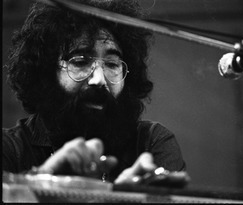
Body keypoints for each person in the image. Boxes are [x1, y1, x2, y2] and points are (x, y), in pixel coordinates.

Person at [2, 0, 187, 185]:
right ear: (46, 72)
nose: (98, 79)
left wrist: (124, 198)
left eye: (112, 64)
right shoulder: (9, 149)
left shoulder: (151, 142)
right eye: (81, 61)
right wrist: (42, 182)